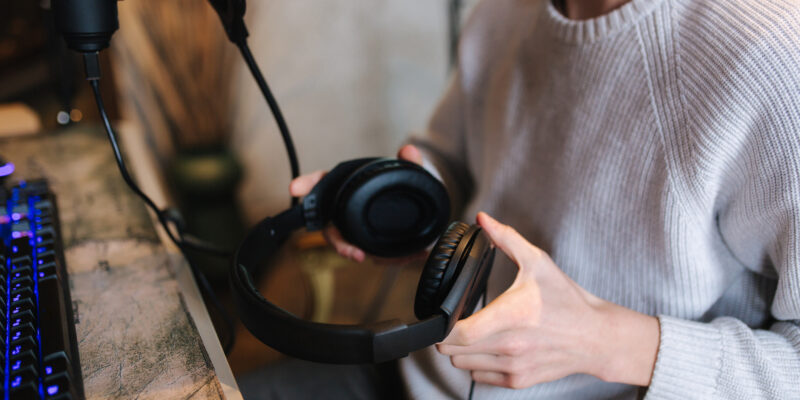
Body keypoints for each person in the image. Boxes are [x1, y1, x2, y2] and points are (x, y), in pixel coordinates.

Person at [241, 0, 800, 398]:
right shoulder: (502, 12)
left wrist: (606, 342)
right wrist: (405, 207)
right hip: (423, 377)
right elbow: (455, 156)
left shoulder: (774, 59)